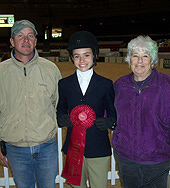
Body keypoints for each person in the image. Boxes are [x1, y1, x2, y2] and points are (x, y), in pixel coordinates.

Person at [0, 19, 62, 188]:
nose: (25, 40)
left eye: (30, 36)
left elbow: (59, 104)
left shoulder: (51, 69)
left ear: (35, 41)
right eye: (20, 35)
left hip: (46, 146)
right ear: (12, 42)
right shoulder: (1, 72)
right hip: (15, 148)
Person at [57, 31, 117, 188]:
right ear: (72, 58)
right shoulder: (64, 84)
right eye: (77, 56)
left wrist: (109, 122)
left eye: (86, 55)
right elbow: (60, 109)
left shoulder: (106, 84)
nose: (81, 60)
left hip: (98, 147)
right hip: (73, 148)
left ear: (94, 56)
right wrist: (61, 117)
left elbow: (113, 113)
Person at [112, 35, 170, 188]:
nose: (139, 61)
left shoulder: (166, 85)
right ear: (129, 59)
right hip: (126, 158)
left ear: (153, 60)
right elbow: (111, 114)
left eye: (145, 56)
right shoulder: (120, 85)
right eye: (135, 56)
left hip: (157, 159)